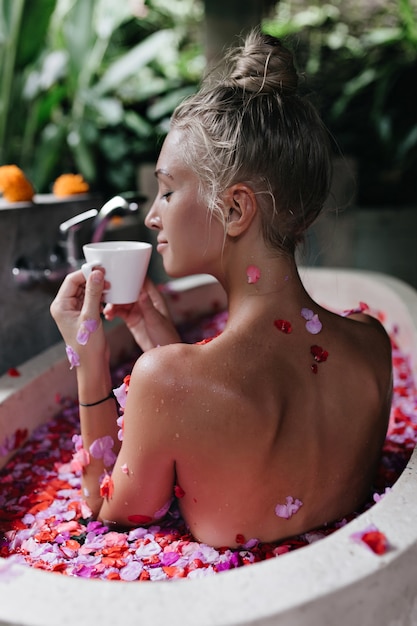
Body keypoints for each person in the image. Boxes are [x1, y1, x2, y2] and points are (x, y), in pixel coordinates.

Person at [50, 30, 392, 548]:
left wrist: (89, 358)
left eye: (166, 190)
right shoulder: (372, 344)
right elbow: (216, 406)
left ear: (234, 209)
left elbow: (109, 509)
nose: (151, 216)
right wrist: (156, 333)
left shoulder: (166, 380)